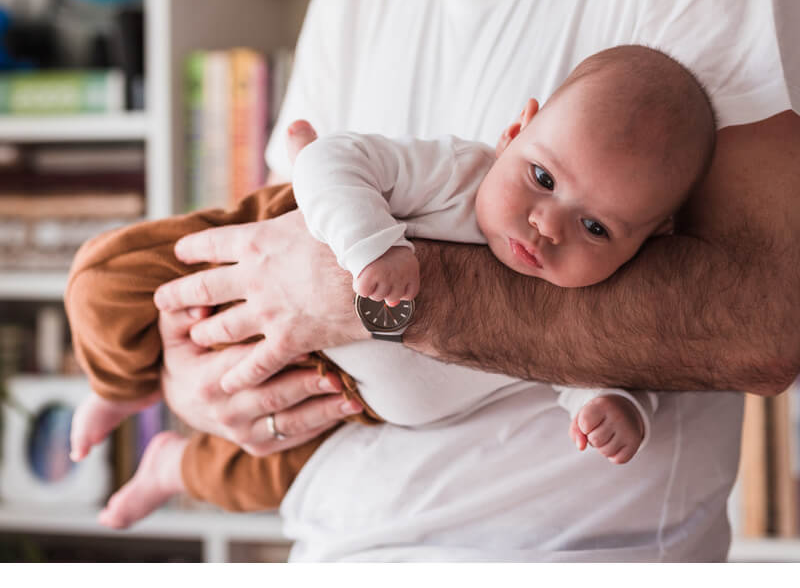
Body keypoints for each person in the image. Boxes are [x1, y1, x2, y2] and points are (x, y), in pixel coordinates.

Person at [151, 0, 800, 561]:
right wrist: (201, 378)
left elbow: (768, 322)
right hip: (326, 546)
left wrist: (372, 297)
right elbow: (273, 261)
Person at [67, 45, 712, 528]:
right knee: (107, 282)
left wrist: (616, 409)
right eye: (542, 178)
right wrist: (372, 244)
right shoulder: (459, 174)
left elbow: (591, 369)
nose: (546, 225)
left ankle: (168, 468)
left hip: (342, 398)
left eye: (596, 226)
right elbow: (334, 159)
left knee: (257, 480)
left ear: (646, 244)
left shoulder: (587, 297)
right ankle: (120, 386)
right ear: (515, 133)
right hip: (276, 240)